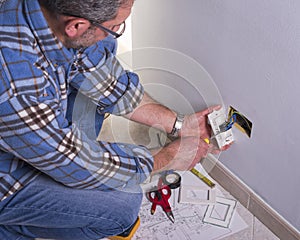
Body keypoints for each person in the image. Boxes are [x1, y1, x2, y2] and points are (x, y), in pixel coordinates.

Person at [0, 0, 227, 239]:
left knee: (92, 79)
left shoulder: (47, 14)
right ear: (76, 25)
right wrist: (166, 158)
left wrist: (180, 124)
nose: (117, 33)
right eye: (117, 26)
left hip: (28, 129)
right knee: (121, 207)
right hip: (6, 179)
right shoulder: (17, 90)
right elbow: (78, 164)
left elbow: (102, 76)